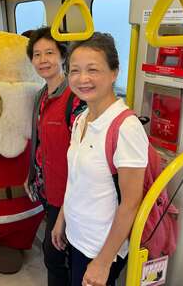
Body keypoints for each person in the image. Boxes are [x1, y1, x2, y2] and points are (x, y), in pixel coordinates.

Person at [52, 33, 147, 286]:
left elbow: (130, 203)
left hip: (100, 247)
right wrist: (62, 218)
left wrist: (103, 262)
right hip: (77, 234)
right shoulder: (82, 117)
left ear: (114, 72)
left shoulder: (126, 127)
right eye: (74, 70)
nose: (82, 79)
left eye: (93, 70)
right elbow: (76, 179)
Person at [24, 27, 85, 285]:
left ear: (63, 55)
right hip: (48, 188)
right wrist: (31, 176)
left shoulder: (75, 98)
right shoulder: (41, 95)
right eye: (37, 54)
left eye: (49, 52)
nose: (43, 60)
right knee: (56, 255)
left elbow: (81, 155)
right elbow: (41, 144)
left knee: (55, 256)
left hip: (70, 193)